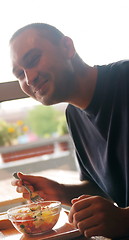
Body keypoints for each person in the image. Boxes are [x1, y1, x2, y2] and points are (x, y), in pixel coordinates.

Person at [10, 23, 129, 239]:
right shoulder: (73, 115)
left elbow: (120, 216)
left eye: (33, 59)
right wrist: (61, 192)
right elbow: (107, 188)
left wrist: (124, 220)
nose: (29, 79)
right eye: (19, 74)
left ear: (67, 47)